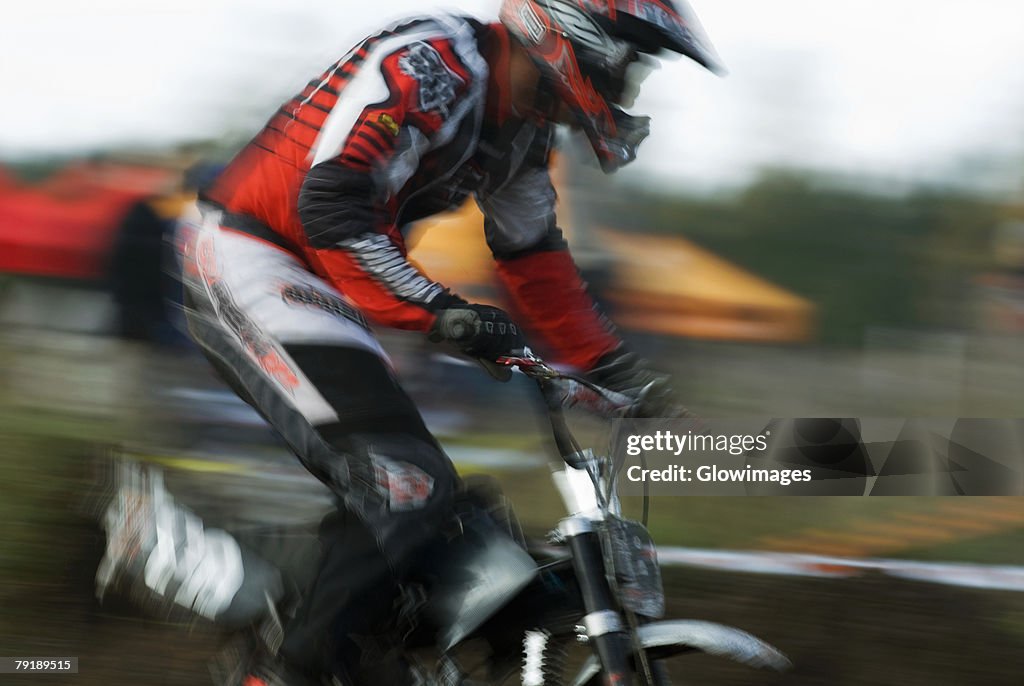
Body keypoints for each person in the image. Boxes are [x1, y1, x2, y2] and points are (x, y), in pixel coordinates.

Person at [174, 1, 721, 684]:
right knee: (403, 483)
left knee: (450, 514)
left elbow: (535, 260)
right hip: (253, 254)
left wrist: (617, 371)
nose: (631, 87)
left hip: (322, 285)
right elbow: (332, 205)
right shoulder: (433, 64)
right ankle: (289, 672)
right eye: (630, 64)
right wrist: (439, 310)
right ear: (576, 36)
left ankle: (360, 642)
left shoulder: (522, 134)